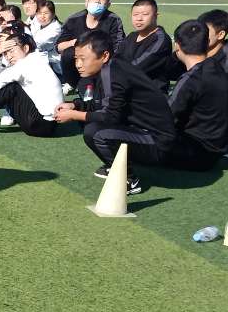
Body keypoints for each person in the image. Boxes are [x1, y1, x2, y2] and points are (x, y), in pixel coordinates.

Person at [53, 31, 176, 195]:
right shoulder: (110, 67)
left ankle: (129, 178)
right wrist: (74, 105)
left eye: (83, 59)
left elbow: (109, 116)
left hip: (157, 141)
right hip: (144, 132)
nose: (78, 64)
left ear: (104, 56)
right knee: (93, 126)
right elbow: (100, 104)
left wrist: (74, 115)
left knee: (95, 133)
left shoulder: (114, 73)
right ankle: (117, 165)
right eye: (76, 59)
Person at [163, 21, 228, 171]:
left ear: (177, 46)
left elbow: (167, 117)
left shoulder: (191, 78)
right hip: (214, 150)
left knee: (128, 137)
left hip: (195, 152)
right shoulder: (216, 67)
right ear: (207, 43)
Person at [56, 0, 124, 92]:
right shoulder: (73, 19)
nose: (98, 1)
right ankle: (74, 83)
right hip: (80, 60)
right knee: (68, 54)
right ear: (86, 2)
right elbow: (58, 46)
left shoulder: (113, 20)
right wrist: (77, 44)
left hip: (101, 60)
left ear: (108, 5)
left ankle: (100, 83)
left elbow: (118, 47)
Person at [198, 9, 228, 126]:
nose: (199, 35)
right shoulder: (201, 49)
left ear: (220, 35)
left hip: (218, 118)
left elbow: (212, 92)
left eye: (205, 31)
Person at [115, 0, 175, 92]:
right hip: (128, 88)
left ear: (156, 16)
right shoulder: (132, 36)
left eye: (145, 14)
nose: (139, 19)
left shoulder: (161, 40)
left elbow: (139, 66)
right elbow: (117, 58)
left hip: (150, 93)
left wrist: (113, 71)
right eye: (135, 15)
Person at [30, 0, 63, 75]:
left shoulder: (56, 29)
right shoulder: (36, 22)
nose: (42, 16)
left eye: (46, 13)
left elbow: (38, 44)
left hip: (54, 65)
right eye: (39, 13)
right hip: (41, 60)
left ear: (53, 14)